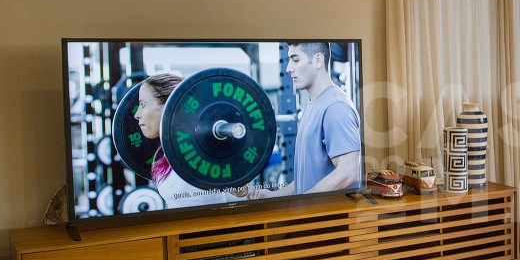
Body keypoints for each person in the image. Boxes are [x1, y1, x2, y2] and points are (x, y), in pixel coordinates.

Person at [247, 42, 361, 199]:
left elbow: (348, 172)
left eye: (295, 59)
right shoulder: (314, 105)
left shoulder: (335, 107)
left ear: (318, 60)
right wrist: (274, 195)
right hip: (309, 213)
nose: (289, 68)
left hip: (326, 215)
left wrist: (301, 204)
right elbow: (307, 180)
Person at [133, 73, 226, 209]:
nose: (137, 114)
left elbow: (237, 187)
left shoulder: (202, 149)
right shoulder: (170, 152)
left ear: (168, 105)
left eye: (143, 104)